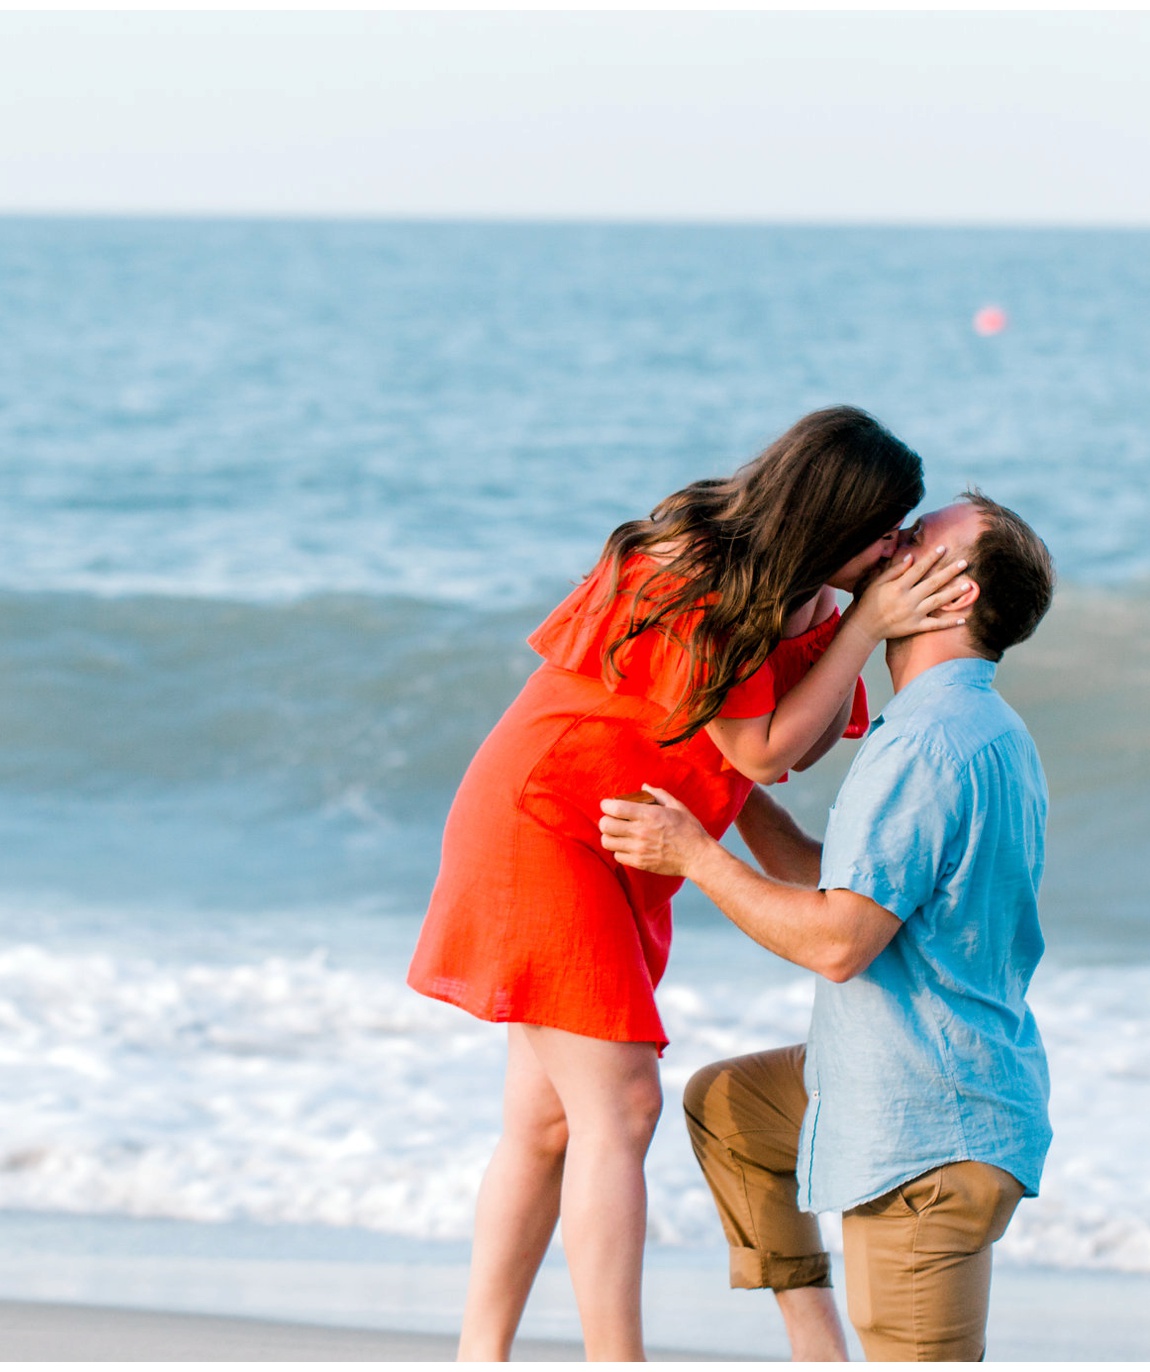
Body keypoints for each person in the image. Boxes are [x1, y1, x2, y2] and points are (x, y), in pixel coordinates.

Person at [408, 407, 977, 1361]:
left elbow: (748, 759)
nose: (892, 550)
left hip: (624, 838)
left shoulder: (807, 602)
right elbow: (755, 751)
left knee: (548, 1120)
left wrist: (861, 633)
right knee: (622, 1106)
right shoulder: (695, 570)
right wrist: (867, 625)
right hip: (546, 820)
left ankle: (479, 1355)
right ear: (830, 515)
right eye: (885, 528)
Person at [599, 491, 1056, 1362]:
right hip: (912, 1086)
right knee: (729, 1111)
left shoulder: (929, 742)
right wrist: (731, 793)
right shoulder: (982, 727)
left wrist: (693, 857)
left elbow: (839, 942)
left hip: (926, 1136)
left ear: (954, 596)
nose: (892, 546)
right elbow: (853, 889)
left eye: (920, 542)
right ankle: (820, 1353)